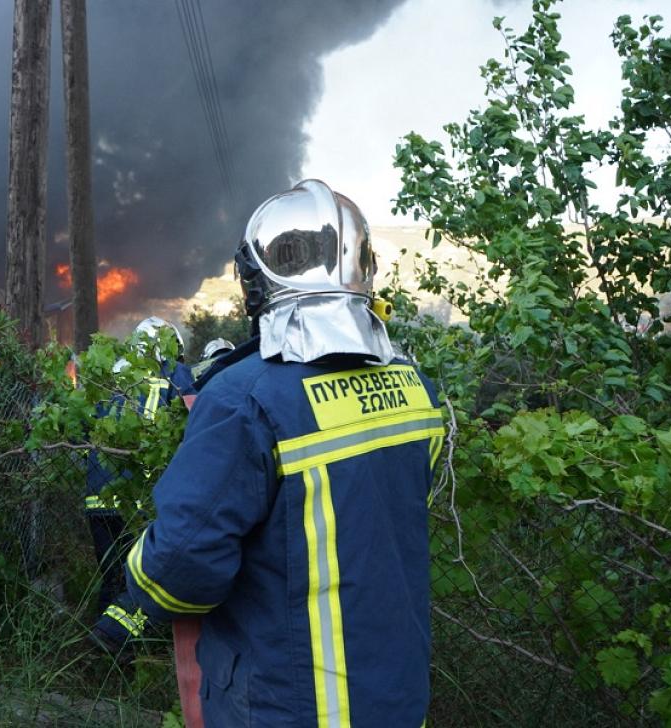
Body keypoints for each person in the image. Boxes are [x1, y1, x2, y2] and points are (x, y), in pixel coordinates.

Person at [125, 179, 443, 727]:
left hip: (291, 707)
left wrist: (140, 558)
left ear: (255, 283)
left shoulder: (243, 400)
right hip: (397, 699)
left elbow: (176, 571)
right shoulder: (416, 388)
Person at [84, 316, 193, 657]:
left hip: (97, 499)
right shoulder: (172, 373)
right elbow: (194, 421)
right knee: (142, 578)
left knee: (112, 575)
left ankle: (101, 652)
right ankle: (125, 649)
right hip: (140, 498)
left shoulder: (109, 375)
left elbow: (83, 430)